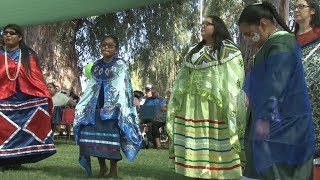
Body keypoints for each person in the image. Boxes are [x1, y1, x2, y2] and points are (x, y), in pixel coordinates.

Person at [239, 1, 315, 179]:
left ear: (263, 24)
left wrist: (264, 118)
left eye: (250, 34)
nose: (249, 40)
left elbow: (276, 83)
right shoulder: (271, 45)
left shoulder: (280, 44)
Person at [166, 15, 245, 179]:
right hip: (191, 103)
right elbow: (182, 76)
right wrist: (177, 96)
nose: (202, 26)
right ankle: (197, 170)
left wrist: (229, 99)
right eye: (201, 24)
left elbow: (235, 75)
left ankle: (219, 171)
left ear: (216, 27)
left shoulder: (229, 50)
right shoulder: (194, 50)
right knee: (196, 136)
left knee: (214, 136)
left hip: (215, 103)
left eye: (206, 24)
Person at [73, 35, 142, 178]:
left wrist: (119, 105)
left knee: (111, 140)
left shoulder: (121, 65)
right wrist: (83, 103)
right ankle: (102, 166)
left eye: (110, 45)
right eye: (104, 45)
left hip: (113, 108)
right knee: (94, 140)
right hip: (95, 107)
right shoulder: (96, 65)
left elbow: (124, 87)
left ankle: (113, 169)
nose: (106, 47)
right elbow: (91, 86)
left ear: (116, 49)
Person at [0, 24, 56, 167]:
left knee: (25, 128)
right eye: (5, 33)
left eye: (12, 33)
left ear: (19, 37)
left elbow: (36, 78)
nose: (7, 35)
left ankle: (17, 160)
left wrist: (43, 95)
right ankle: (4, 159)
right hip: (4, 96)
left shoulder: (28, 55)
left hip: (25, 96)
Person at [294, 0, 320, 160]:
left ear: (313, 11)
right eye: (295, 7)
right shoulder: (289, 41)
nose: (296, 9)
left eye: (301, 6)